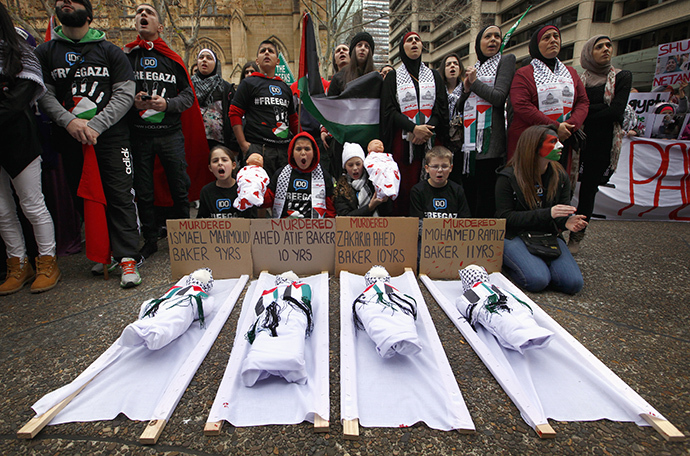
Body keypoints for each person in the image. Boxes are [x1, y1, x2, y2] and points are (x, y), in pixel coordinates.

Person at [35, 0, 143, 288]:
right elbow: (44, 93)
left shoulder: (110, 51)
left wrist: (95, 125)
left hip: (111, 138)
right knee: (83, 194)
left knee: (120, 195)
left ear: (88, 11)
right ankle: (101, 253)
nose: (66, 3)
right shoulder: (45, 52)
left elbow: (124, 94)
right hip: (71, 140)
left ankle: (128, 258)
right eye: (61, 1)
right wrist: (70, 122)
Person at [0, 4, 59, 295]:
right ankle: (18, 263)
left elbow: (18, 99)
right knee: (2, 211)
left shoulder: (20, 52)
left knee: (32, 204)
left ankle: (47, 261)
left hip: (17, 138)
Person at [495, 125, 587, 294]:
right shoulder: (508, 177)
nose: (560, 146)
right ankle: (515, 262)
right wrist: (548, 213)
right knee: (537, 280)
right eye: (553, 142)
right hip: (515, 235)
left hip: (547, 236)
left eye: (558, 141)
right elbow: (504, 217)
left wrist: (567, 222)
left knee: (573, 284)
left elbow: (558, 215)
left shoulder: (560, 176)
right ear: (534, 147)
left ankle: (536, 262)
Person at [570, 36, 632, 254]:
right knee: (564, 188)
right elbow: (575, 108)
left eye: (608, 45)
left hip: (602, 145)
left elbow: (616, 111)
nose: (606, 49)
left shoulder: (622, 77)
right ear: (589, 52)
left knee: (588, 192)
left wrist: (585, 111)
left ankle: (576, 236)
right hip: (577, 142)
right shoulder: (578, 79)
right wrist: (589, 111)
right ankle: (556, 229)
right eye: (599, 46)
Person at [507, 25, 589, 178]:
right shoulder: (524, 73)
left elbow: (583, 102)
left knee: (557, 183)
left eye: (556, 36)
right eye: (547, 38)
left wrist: (570, 126)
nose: (553, 40)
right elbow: (521, 105)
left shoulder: (571, 73)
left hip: (563, 139)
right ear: (536, 45)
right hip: (532, 142)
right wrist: (555, 127)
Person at [381, 31, 448, 216]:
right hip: (403, 142)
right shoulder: (393, 77)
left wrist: (425, 130)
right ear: (403, 48)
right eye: (409, 41)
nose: (414, 43)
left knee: (431, 183)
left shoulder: (434, 76)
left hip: (430, 140)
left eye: (417, 40)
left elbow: (440, 108)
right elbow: (389, 110)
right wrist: (413, 128)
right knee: (405, 186)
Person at [457, 26, 516, 218]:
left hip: (490, 144)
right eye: (487, 36)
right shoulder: (476, 67)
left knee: (487, 197)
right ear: (478, 43)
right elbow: (459, 107)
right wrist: (466, 89)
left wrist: (475, 83)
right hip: (469, 146)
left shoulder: (505, 61)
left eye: (497, 36)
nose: (493, 40)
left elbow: (499, 97)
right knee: (470, 195)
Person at [229, 39, 298, 180]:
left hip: (283, 151)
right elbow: (234, 113)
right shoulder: (248, 83)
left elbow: (293, 120)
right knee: (257, 194)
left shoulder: (285, 87)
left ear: (277, 61)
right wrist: (243, 145)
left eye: (271, 51)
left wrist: (300, 142)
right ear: (257, 60)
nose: (266, 53)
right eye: (262, 51)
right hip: (257, 149)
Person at [262, 131, 336, 218]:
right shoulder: (280, 174)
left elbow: (330, 210)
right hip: (283, 228)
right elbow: (266, 201)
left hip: (314, 229)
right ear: (292, 153)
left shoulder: (324, 176)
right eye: (298, 149)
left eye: (307, 149)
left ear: (314, 153)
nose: (303, 153)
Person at [191, 48, 238, 153]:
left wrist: (233, 144)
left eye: (209, 58)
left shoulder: (225, 87)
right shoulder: (188, 86)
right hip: (193, 140)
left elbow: (233, 115)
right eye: (201, 57)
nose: (204, 60)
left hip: (219, 144)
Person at [410, 146, 470, 220]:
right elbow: (416, 222)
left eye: (444, 166)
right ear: (427, 168)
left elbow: (465, 221)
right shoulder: (417, 191)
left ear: (450, 168)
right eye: (435, 167)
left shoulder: (457, 190)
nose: (440, 170)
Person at [197, 145, 255, 218]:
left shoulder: (244, 189)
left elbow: (252, 218)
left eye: (224, 160)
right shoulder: (206, 191)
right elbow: (202, 219)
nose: (220, 163)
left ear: (233, 165)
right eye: (215, 161)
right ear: (210, 168)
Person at [334, 142, 389, 216]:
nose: (355, 168)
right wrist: (369, 207)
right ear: (345, 167)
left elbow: (387, 210)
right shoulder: (341, 188)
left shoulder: (374, 182)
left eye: (358, 164)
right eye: (350, 165)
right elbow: (344, 217)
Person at [328, 32, 376, 97]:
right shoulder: (338, 78)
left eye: (366, 46)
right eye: (359, 45)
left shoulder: (376, 79)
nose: (363, 48)